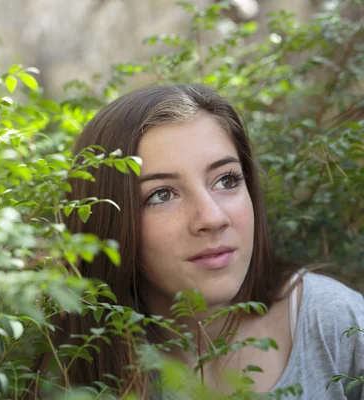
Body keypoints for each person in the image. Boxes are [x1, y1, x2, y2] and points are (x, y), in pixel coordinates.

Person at [34, 84, 364, 399]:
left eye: (227, 179)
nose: (212, 217)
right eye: (161, 194)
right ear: (109, 223)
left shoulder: (335, 324)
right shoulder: (70, 370)